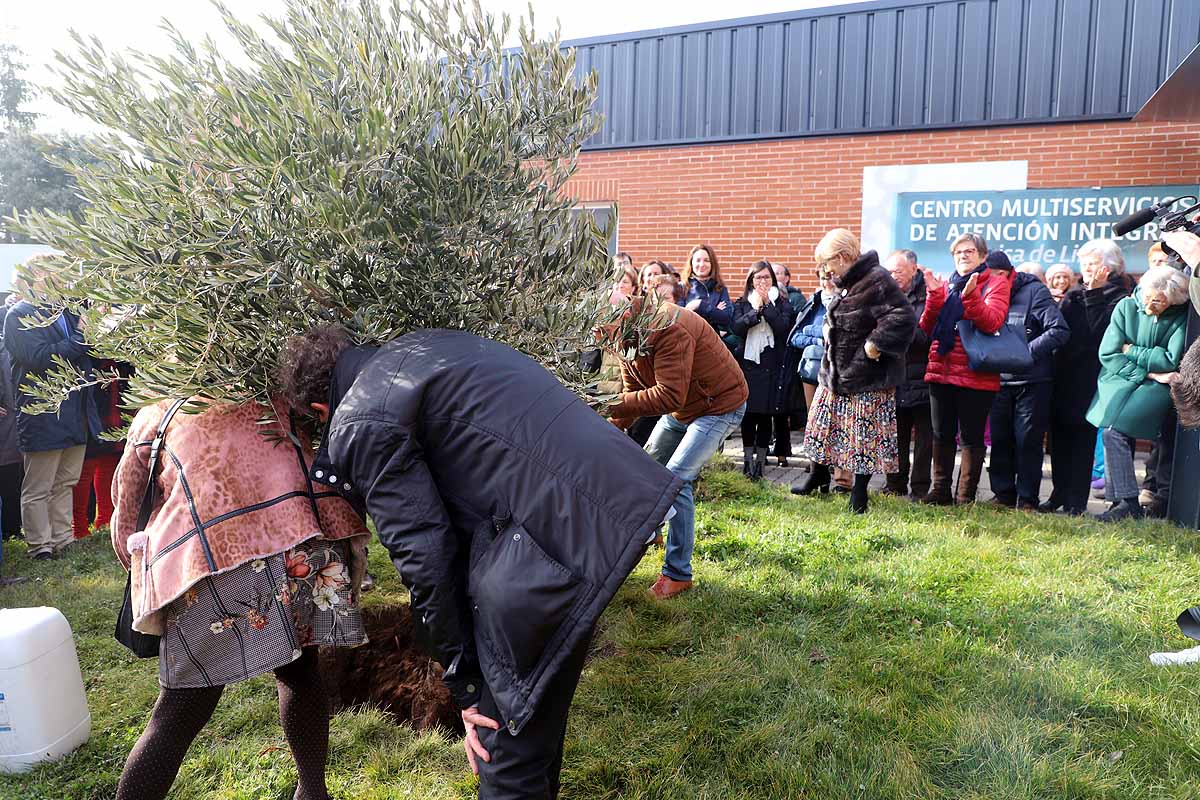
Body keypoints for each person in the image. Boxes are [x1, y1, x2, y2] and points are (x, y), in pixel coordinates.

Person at [277, 325, 684, 799]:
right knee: (533, 722)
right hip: (605, 505)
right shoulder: (425, 344)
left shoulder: (360, 418)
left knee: (503, 756)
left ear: (321, 410)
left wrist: (467, 688)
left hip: (546, 545)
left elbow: (424, 556)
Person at [110, 397, 370, 800]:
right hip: (300, 542)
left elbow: (126, 520)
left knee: (182, 706)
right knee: (300, 670)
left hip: (212, 558)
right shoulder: (274, 393)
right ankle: (313, 792)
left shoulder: (158, 415)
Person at [607, 301, 746, 597]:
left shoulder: (669, 328)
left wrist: (610, 403)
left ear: (625, 317)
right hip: (685, 408)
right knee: (648, 467)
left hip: (718, 405)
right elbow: (634, 392)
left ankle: (678, 573)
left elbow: (669, 395)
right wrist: (613, 424)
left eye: (603, 330)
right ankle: (652, 531)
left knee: (676, 479)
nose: (601, 340)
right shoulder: (624, 337)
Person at [791, 229, 916, 514]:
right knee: (822, 427)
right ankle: (818, 475)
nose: (825, 270)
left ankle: (859, 494)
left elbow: (903, 317)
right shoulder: (847, 281)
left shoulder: (877, 278)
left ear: (843, 256)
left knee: (863, 437)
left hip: (866, 376)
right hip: (835, 371)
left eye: (827, 263)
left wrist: (875, 344)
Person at [4, 268, 101, 560]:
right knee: (38, 486)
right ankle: (40, 546)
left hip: (76, 409)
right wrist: (82, 335)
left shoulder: (66, 311)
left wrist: (94, 329)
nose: (65, 279)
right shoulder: (19, 314)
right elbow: (39, 358)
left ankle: (63, 539)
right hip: (42, 411)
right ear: (37, 277)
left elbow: (88, 351)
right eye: (58, 273)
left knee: (66, 481)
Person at [1086, 266, 1188, 522]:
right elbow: (1108, 353)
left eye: (1157, 301)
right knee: (1110, 431)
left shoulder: (1180, 314)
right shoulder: (1127, 306)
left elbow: (1169, 359)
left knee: (1114, 431)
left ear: (1174, 299)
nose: (1149, 305)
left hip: (1158, 387)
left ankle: (1126, 503)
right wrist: (1148, 372)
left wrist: (1131, 350)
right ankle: (1120, 502)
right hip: (1121, 378)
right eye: (1147, 296)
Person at [919, 233, 1013, 505]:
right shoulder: (947, 284)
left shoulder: (996, 283)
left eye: (970, 251)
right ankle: (939, 491)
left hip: (976, 372)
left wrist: (971, 298)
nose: (963, 255)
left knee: (971, 437)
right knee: (941, 433)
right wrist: (935, 296)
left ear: (983, 257)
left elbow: (992, 322)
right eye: (958, 252)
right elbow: (927, 328)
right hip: (941, 368)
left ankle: (965, 496)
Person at [1041, 239, 1129, 516]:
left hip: (1092, 378)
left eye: (1093, 263)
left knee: (1081, 439)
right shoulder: (1075, 294)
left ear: (1108, 267)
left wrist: (1095, 293)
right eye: (1085, 263)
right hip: (1064, 376)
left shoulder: (1120, 295)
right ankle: (1059, 493)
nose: (1087, 269)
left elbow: (1098, 332)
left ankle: (1076, 500)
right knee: (1058, 438)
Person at [984, 252, 1070, 509]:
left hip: (1032, 381)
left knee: (1028, 442)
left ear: (1005, 273)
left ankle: (1028, 499)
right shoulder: (984, 292)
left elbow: (1059, 330)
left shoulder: (1034, 292)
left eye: (993, 277)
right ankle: (1003, 495)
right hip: (997, 380)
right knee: (999, 441)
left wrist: (1022, 355)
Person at [729, 261, 796, 480]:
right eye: (757, 278)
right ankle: (747, 461)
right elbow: (737, 327)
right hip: (748, 367)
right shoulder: (742, 303)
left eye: (766, 277)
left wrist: (767, 306)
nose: (762, 282)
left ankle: (760, 462)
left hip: (772, 368)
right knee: (749, 415)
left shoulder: (783, 304)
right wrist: (756, 311)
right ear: (751, 281)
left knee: (766, 416)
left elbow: (783, 328)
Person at [882, 249, 932, 500]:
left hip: (922, 377)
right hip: (894, 377)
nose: (893, 277)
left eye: (898, 272)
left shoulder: (928, 296)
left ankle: (921, 488)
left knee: (924, 439)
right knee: (895, 435)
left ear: (914, 269)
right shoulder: (885, 297)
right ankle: (895, 484)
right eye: (889, 272)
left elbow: (925, 337)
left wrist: (899, 326)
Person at [71, 357, 130, 538]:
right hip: (92, 414)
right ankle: (79, 528)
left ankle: (105, 523)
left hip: (117, 409)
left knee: (109, 467)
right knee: (85, 471)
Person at [770, 262, 805, 466]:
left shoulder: (795, 301)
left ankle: (783, 449)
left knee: (782, 408)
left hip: (786, 359)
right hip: (768, 361)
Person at [681, 244, 733, 339]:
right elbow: (679, 317)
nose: (702, 264)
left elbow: (726, 318)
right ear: (691, 263)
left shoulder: (720, 289)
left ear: (712, 264)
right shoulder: (682, 287)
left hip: (713, 341)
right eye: (698, 260)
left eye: (706, 260)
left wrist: (699, 305)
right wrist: (715, 311)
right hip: (688, 340)